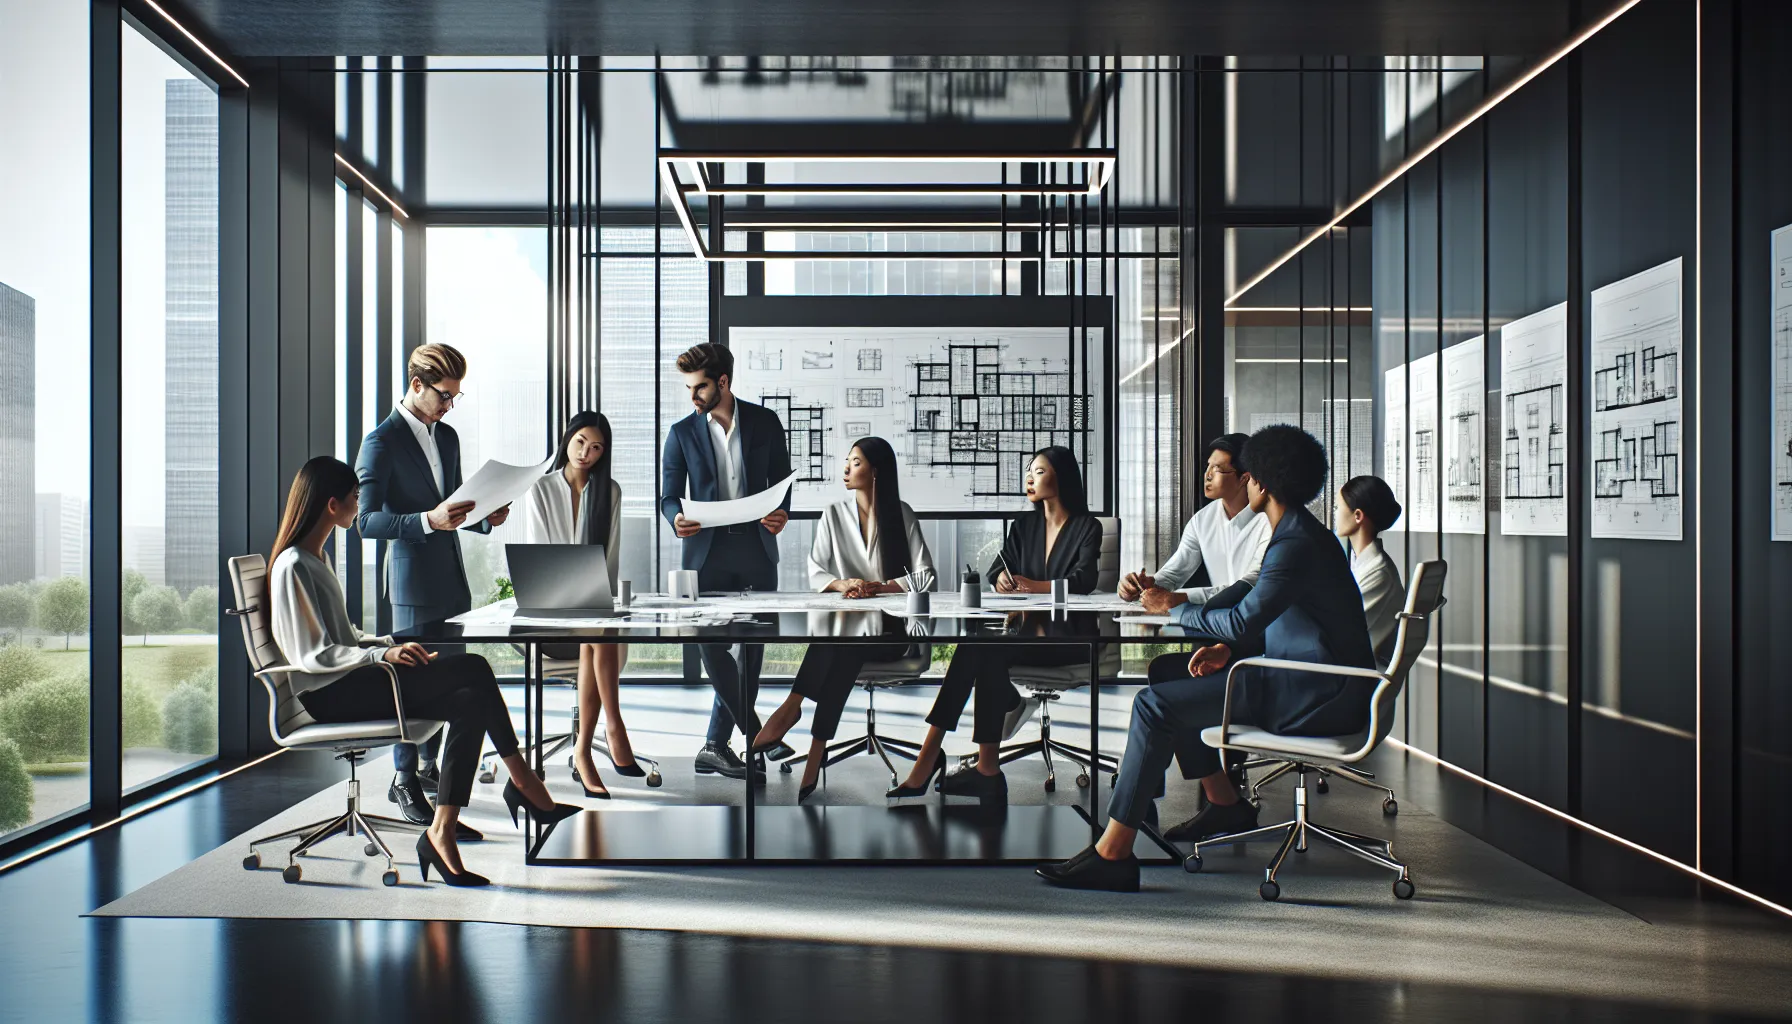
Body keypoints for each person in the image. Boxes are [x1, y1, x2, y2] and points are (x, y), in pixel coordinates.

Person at [1036, 424, 1376, 892]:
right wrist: (1221, 646)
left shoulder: (1293, 543)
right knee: (1171, 679)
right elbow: (1271, 619)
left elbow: (1241, 620)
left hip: (1313, 692)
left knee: (1154, 706)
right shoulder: (1299, 534)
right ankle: (1223, 804)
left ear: (1260, 480)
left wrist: (1178, 609)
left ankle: (1113, 852)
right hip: (1307, 677)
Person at [268, 457, 577, 888]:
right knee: (473, 666)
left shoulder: (314, 559)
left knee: (470, 700)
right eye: (356, 499)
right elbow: (313, 654)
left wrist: (387, 646)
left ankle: (442, 830)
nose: (360, 506)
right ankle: (526, 785)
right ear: (331, 504)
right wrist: (379, 659)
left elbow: (343, 636)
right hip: (330, 692)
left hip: (350, 679)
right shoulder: (294, 565)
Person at [888, 446, 1102, 803]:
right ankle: (981, 766)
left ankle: (935, 761)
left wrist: (1035, 586)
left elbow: (1086, 580)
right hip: (1025, 634)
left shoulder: (1087, 527)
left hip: (1071, 637)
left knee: (982, 650)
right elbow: (995, 568)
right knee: (980, 648)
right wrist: (1001, 577)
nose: (1029, 478)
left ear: (1061, 477)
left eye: (1039, 471)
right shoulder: (1024, 526)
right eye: (1029, 471)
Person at [355, 343, 510, 831]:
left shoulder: (448, 438)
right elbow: (365, 521)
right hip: (411, 582)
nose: (448, 405)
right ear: (417, 385)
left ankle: (427, 768)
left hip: (451, 577)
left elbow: (456, 504)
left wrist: (485, 518)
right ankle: (403, 776)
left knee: (450, 680)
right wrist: (426, 520)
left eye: (455, 397)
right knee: (412, 681)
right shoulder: (380, 442)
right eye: (444, 395)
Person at [748, 437, 935, 799]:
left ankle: (794, 710)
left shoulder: (902, 513)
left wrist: (880, 588)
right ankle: (813, 742)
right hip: (848, 626)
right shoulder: (834, 513)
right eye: (847, 461)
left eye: (856, 462)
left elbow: (926, 576)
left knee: (843, 646)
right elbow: (816, 570)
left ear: (876, 471)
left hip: (892, 632)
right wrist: (843, 583)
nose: (847, 469)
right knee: (844, 643)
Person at [660, 342, 796, 781]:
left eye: (700, 387)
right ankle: (758, 734)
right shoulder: (681, 433)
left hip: (756, 548)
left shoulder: (766, 422)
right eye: (688, 388)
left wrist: (781, 513)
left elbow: (783, 481)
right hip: (706, 553)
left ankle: (716, 746)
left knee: (752, 651)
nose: (693, 397)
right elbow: (667, 494)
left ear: (723, 382)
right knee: (709, 643)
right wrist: (674, 518)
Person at [516, 411, 644, 798]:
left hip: (592, 615)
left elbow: (610, 563)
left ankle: (583, 750)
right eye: (579, 442)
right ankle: (614, 727)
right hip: (547, 616)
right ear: (567, 439)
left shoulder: (611, 493)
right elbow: (541, 561)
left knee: (598, 629)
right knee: (600, 631)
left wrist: (594, 597)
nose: (585, 452)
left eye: (596, 447)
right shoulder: (541, 489)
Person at [1119, 433, 1270, 615]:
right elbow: (1175, 572)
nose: (1207, 475)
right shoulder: (1202, 520)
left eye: (1217, 469)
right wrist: (1147, 585)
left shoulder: (1267, 521)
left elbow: (1252, 585)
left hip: (1259, 622)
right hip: (1217, 622)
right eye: (1208, 466)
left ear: (1244, 479)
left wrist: (1181, 598)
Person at [1335, 475, 1406, 666]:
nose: (1335, 514)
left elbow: (1341, 628)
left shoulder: (1378, 572)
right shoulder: (1366, 564)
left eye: (1338, 508)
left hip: (1357, 674)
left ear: (1357, 516)